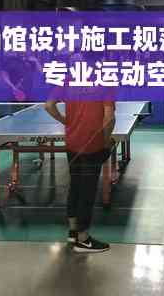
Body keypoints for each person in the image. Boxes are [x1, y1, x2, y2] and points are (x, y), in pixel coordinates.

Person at [45, 95, 115, 253]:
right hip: (93, 144)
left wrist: (66, 121)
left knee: (75, 186)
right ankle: (83, 240)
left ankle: (73, 232)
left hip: (72, 142)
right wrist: (105, 143)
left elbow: (49, 105)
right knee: (87, 191)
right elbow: (109, 118)